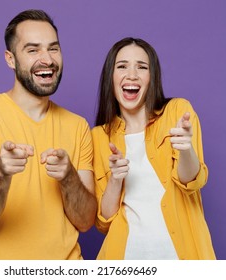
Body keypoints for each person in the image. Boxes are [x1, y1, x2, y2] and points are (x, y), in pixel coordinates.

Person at [0, 9, 97, 260]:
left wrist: (68, 177)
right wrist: (1, 171)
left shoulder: (78, 126)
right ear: (10, 59)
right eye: (33, 50)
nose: (47, 59)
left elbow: (85, 222)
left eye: (53, 48)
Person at [92, 37, 216, 260]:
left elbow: (191, 182)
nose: (132, 74)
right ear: (111, 77)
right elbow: (104, 221)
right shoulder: (100, 136)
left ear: (152, 77)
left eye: (142, 67)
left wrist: (186, 149)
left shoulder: (177, 110)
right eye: (122, 66)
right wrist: (115, 179)